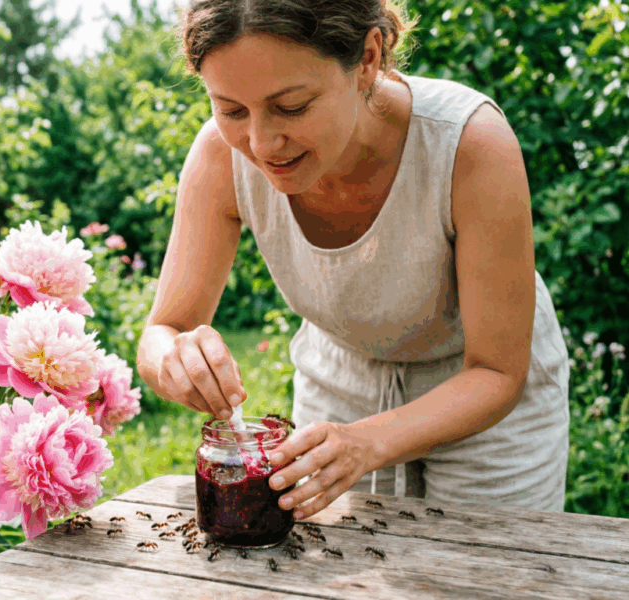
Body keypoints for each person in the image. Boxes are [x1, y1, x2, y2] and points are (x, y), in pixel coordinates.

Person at [136, 0, 570, 519]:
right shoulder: (218, 158)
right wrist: (173, 359)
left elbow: (497, 372)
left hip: (480, 399)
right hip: (339, 384)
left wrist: (368, 443)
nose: (260, 142)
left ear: (368, 56)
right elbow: (164, 328)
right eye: (230, 109)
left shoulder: (469, 142)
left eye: (292, 107)